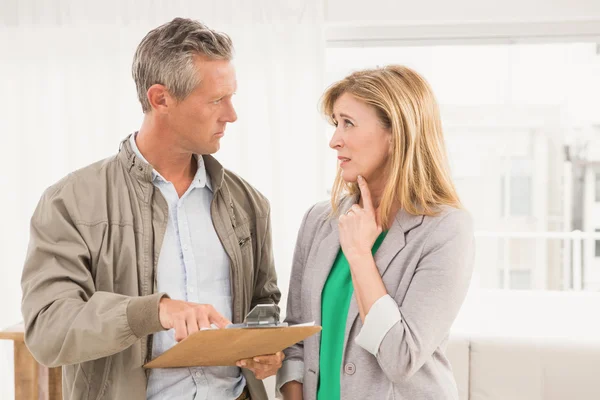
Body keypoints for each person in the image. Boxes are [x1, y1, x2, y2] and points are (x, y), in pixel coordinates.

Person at [21, 17, 283, 400]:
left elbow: (265, 303)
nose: (231, 114)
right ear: (161, 99)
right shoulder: (71, 201)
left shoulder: (247, 202)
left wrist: (267, 348)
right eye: (215, 100)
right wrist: (153, 312)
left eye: (231, 97)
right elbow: (47, 331)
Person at [276, 65, 475, 400]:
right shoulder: (319, 220)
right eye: (335, 123)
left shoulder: (446, 230)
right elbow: (296, 338)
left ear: (396, 133)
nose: (335, 139)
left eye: (348, 123)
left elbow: (401, 358)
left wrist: (359, 255)